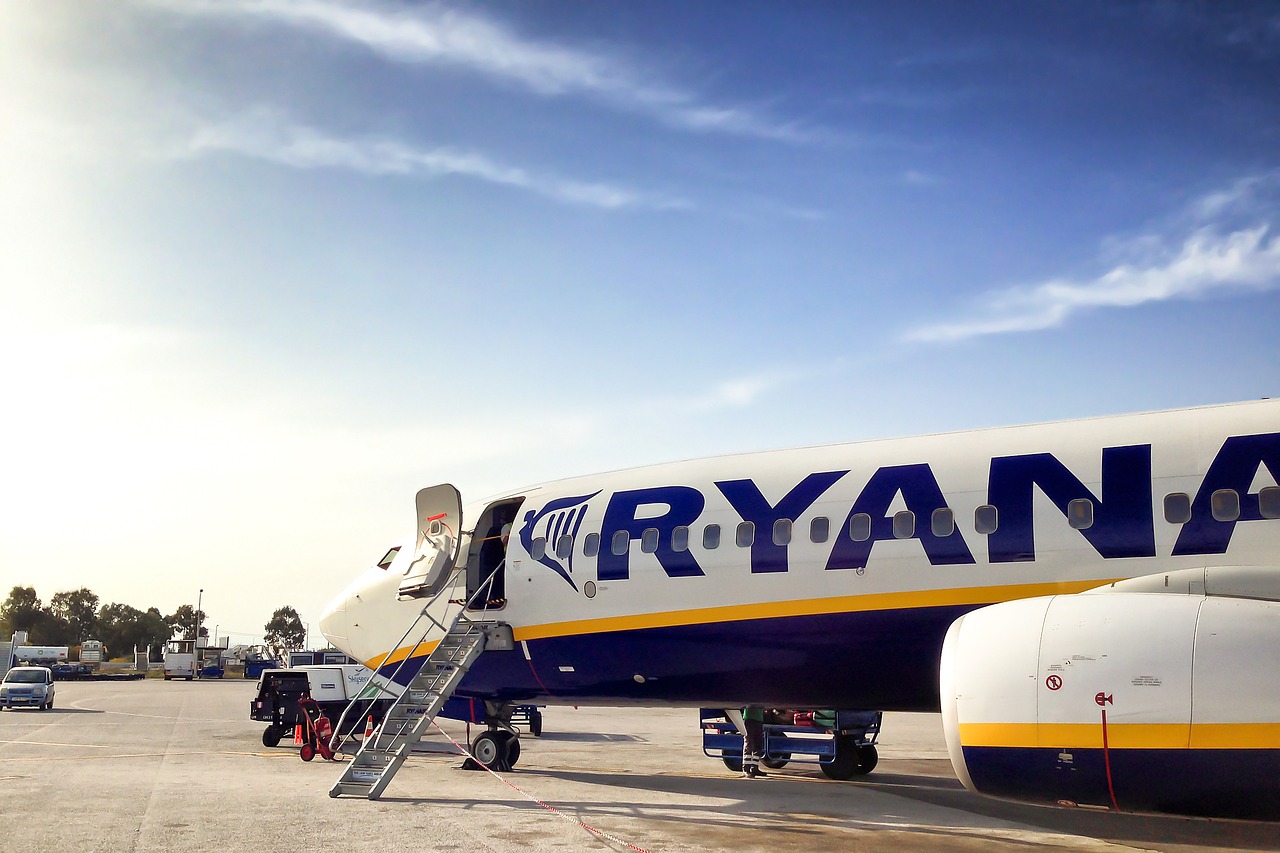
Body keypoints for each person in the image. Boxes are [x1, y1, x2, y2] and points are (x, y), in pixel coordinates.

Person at [742, 707, 766, 778]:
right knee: (749, 744)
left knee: (758, 745)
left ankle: (754, 768)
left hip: (759, 720)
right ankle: (746, 769)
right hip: (749, 719)